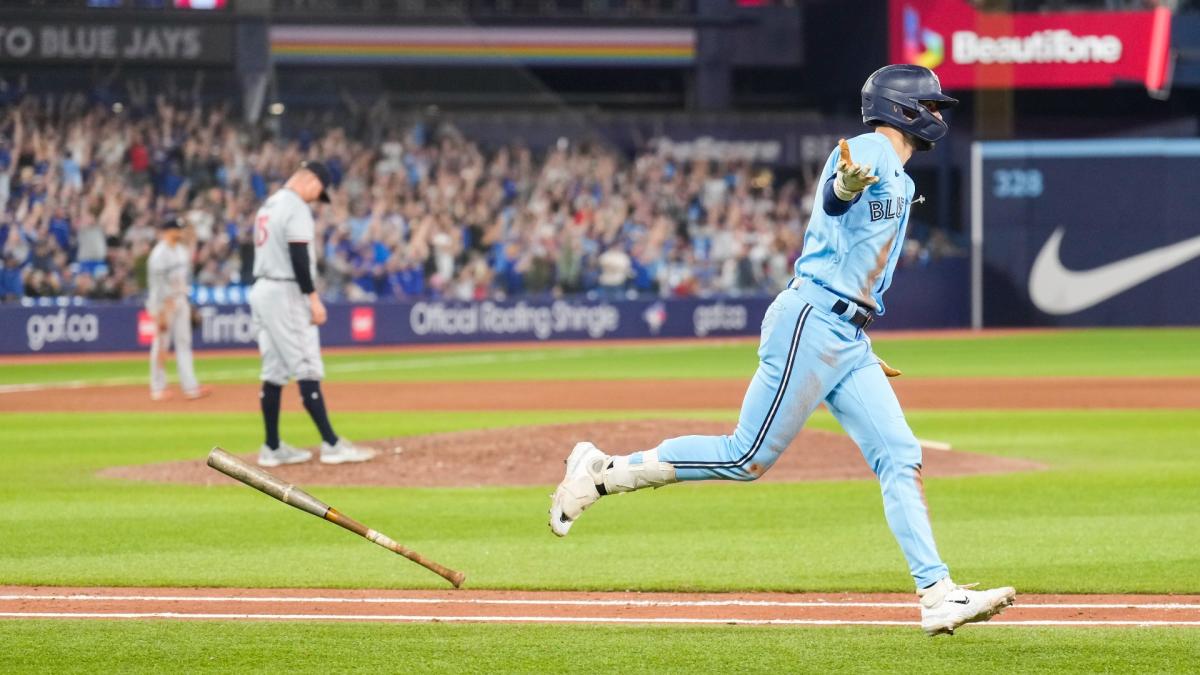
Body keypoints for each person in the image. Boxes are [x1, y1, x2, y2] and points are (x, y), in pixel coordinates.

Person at [548, 65, 1015, 637]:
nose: (940, 115)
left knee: (899, 454)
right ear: (904, 109)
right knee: (746, 457)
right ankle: (603, 473)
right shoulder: (868, 148)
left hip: (845, 334)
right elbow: (836, 198)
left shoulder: (898, 170)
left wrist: (857, 339)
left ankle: (936, 593)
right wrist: (843, 187)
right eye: (933, 106)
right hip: (812, 321)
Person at [248, 160, 375, 468]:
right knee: (306, 364)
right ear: (312, 181)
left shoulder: (269, 205)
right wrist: (313, 298)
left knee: (274, 370)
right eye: (319, 191)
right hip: (286, 291)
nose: (316, 199)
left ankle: (272, 446)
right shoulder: (294, 207)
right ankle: (331, 444)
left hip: (263, 289)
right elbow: (299, 257)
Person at [146, 217, 210, 402]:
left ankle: (190, 387)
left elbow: (183, 280)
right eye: (177, 229)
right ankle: (157, 388)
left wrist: (186, 301)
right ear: (168, 231)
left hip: (180, 299)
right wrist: (161, 311)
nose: (180, 232)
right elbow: (156, 286)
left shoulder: (181, 251)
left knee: (184, 343)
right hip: (163, 303)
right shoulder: (159, 254)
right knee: (161, 345)